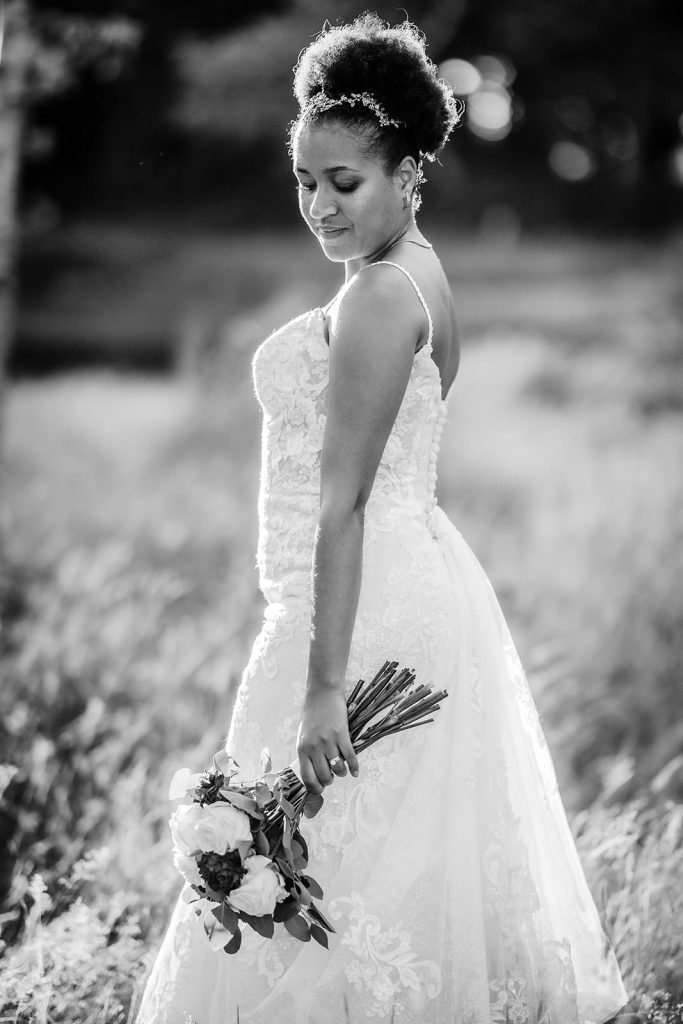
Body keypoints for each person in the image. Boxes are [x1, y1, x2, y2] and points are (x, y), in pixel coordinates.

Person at [135, 14, 628, 1024]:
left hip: (359, 617)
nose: (317, 205)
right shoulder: (425, 272)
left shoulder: (374, 299)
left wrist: (321, 687)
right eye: (304, 181)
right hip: (417, 581)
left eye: (343, 183)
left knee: (315, 862)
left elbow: (342, 499)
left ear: (408, 170)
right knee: (370, 869)